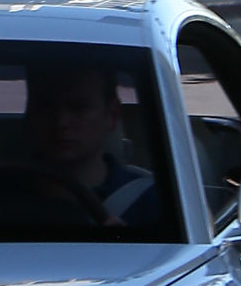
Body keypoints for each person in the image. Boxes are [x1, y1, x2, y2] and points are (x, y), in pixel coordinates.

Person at [21, 59, 162, 227]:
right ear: (30, 113)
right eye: (45, 106)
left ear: (112, 115)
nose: (61, 122)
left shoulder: (151, 202)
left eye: (79, 108)